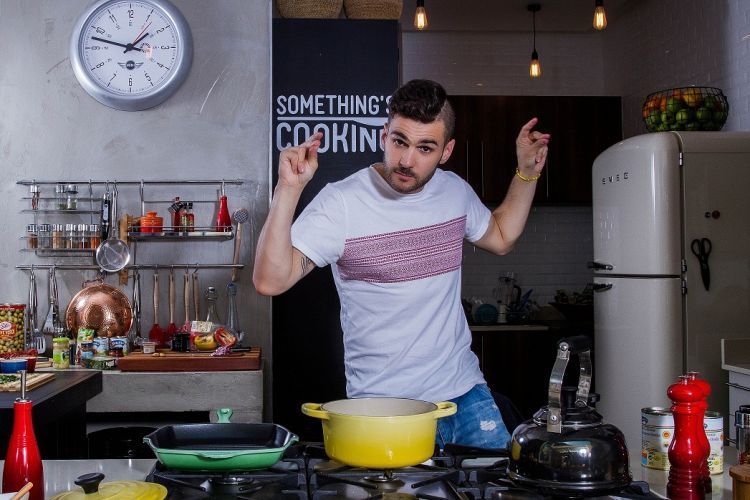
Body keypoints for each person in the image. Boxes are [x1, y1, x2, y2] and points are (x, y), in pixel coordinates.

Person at [254, 79, 549, 449]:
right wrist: (288, 188)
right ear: (384, 135)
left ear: (446, 151)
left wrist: (528, 172)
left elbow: (502, 236)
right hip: (382, 406)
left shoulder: (455, 192)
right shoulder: (343, 202)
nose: (407, 161)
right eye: (400, 142)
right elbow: (269, 281)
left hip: (465, 395)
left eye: (425, 148)